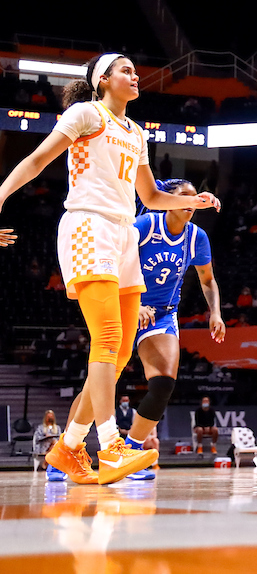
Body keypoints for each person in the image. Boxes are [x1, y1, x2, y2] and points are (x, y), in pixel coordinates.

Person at [0, 53, 218, 484]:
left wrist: (192, 201)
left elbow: (151, 197)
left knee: (119, 356)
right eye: (125, 70)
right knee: (108, 338)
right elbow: (38, 160)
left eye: (135, 71)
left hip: (123, 234)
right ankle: (111, 445)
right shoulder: (86, 114)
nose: (135, 76)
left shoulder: (136, 132)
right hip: (88, 225)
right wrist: (1, 195)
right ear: (102, 79)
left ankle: (68, 449)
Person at [115, 177, 225, 480]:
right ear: (167, 200)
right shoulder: (145, 225)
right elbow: (115, 263)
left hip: (162, 314)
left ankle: (131, 451)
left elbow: (207, 279)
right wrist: (134, 303)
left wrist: (215, 313)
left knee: (164, 382)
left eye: (195, 198)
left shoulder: (197, 237)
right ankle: (67, 448)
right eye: (184, 197)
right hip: (125, 305)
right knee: (100, 381)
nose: (191, 202)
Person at [33, 411, 61, 476]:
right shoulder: (41, 428)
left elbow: (60, 438)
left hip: (54, 446)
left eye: (51, 416)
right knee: (54, 443)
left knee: (55, 442)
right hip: (43, 446)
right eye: (48, 417)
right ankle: (46, 462)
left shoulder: (57, 428)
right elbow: (37, 438)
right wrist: (46, 437)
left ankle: (45, 462)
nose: (50, 418)